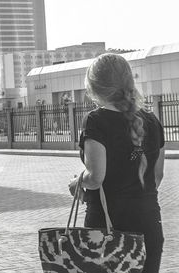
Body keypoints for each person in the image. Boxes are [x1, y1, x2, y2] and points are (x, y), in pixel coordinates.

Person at [69, 53, 165, 273]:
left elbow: (95, 178)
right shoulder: (152, 121)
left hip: (106, 230)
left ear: (93, 86)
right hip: (149, 223)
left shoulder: (96, 121)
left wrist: (77, 182)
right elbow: (156, 177)